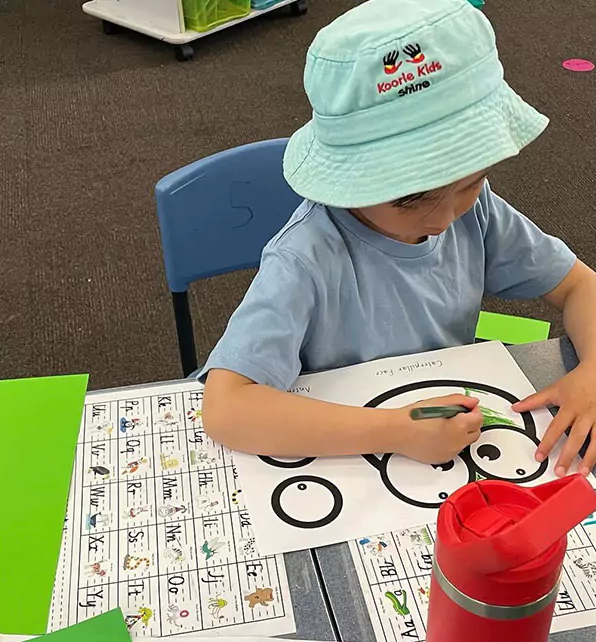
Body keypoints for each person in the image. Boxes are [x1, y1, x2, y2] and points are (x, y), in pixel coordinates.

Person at [199, 0, 596, 476]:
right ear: (347, 182)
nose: (446, 217)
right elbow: (225, 408)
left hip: (445, 441)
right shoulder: (306, 257)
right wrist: (395, 431)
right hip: (343, 454)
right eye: (409, 200)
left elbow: (579, 285)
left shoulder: (479, 211)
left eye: (470, 183)